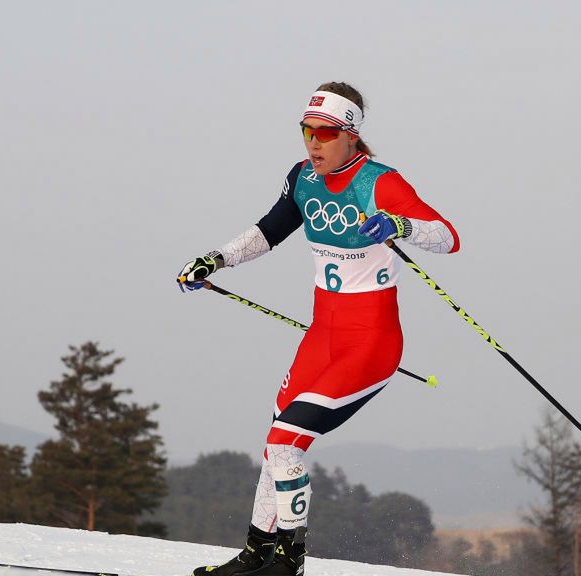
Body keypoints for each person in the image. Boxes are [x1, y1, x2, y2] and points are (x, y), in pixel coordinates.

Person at [176, 82, 460, 576]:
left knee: (287, 441)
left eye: (326, 134)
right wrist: (215, 259)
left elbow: (448, 236)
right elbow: (270, 229)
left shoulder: (380, 182)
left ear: (351, 135)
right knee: (275, 443)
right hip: (321, 337)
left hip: (370, 343)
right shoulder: (303, 178)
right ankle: (256, 554)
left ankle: (291, 563)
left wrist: (399, 224)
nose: (314, 143)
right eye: (307, 131)